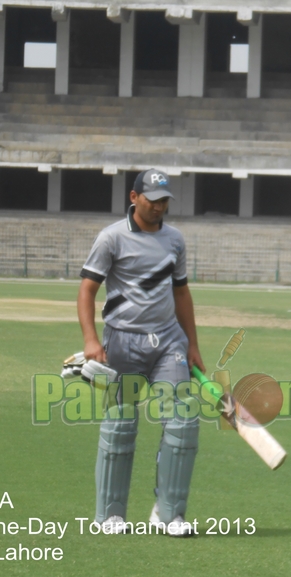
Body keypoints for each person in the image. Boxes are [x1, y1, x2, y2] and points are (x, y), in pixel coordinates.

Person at [77, 169, 205, 537]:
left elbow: (181, 293)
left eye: (165, 199)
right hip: (122, 342)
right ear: (134, 198)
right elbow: (87, 291)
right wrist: (90, 340)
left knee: (183, 421)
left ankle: (169, 514)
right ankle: (110, 515)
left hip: (168, 342)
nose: (160, 206)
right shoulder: (111, 238)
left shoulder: (175, 240)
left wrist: (192, 344)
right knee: (121, 426)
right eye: (152, 199)